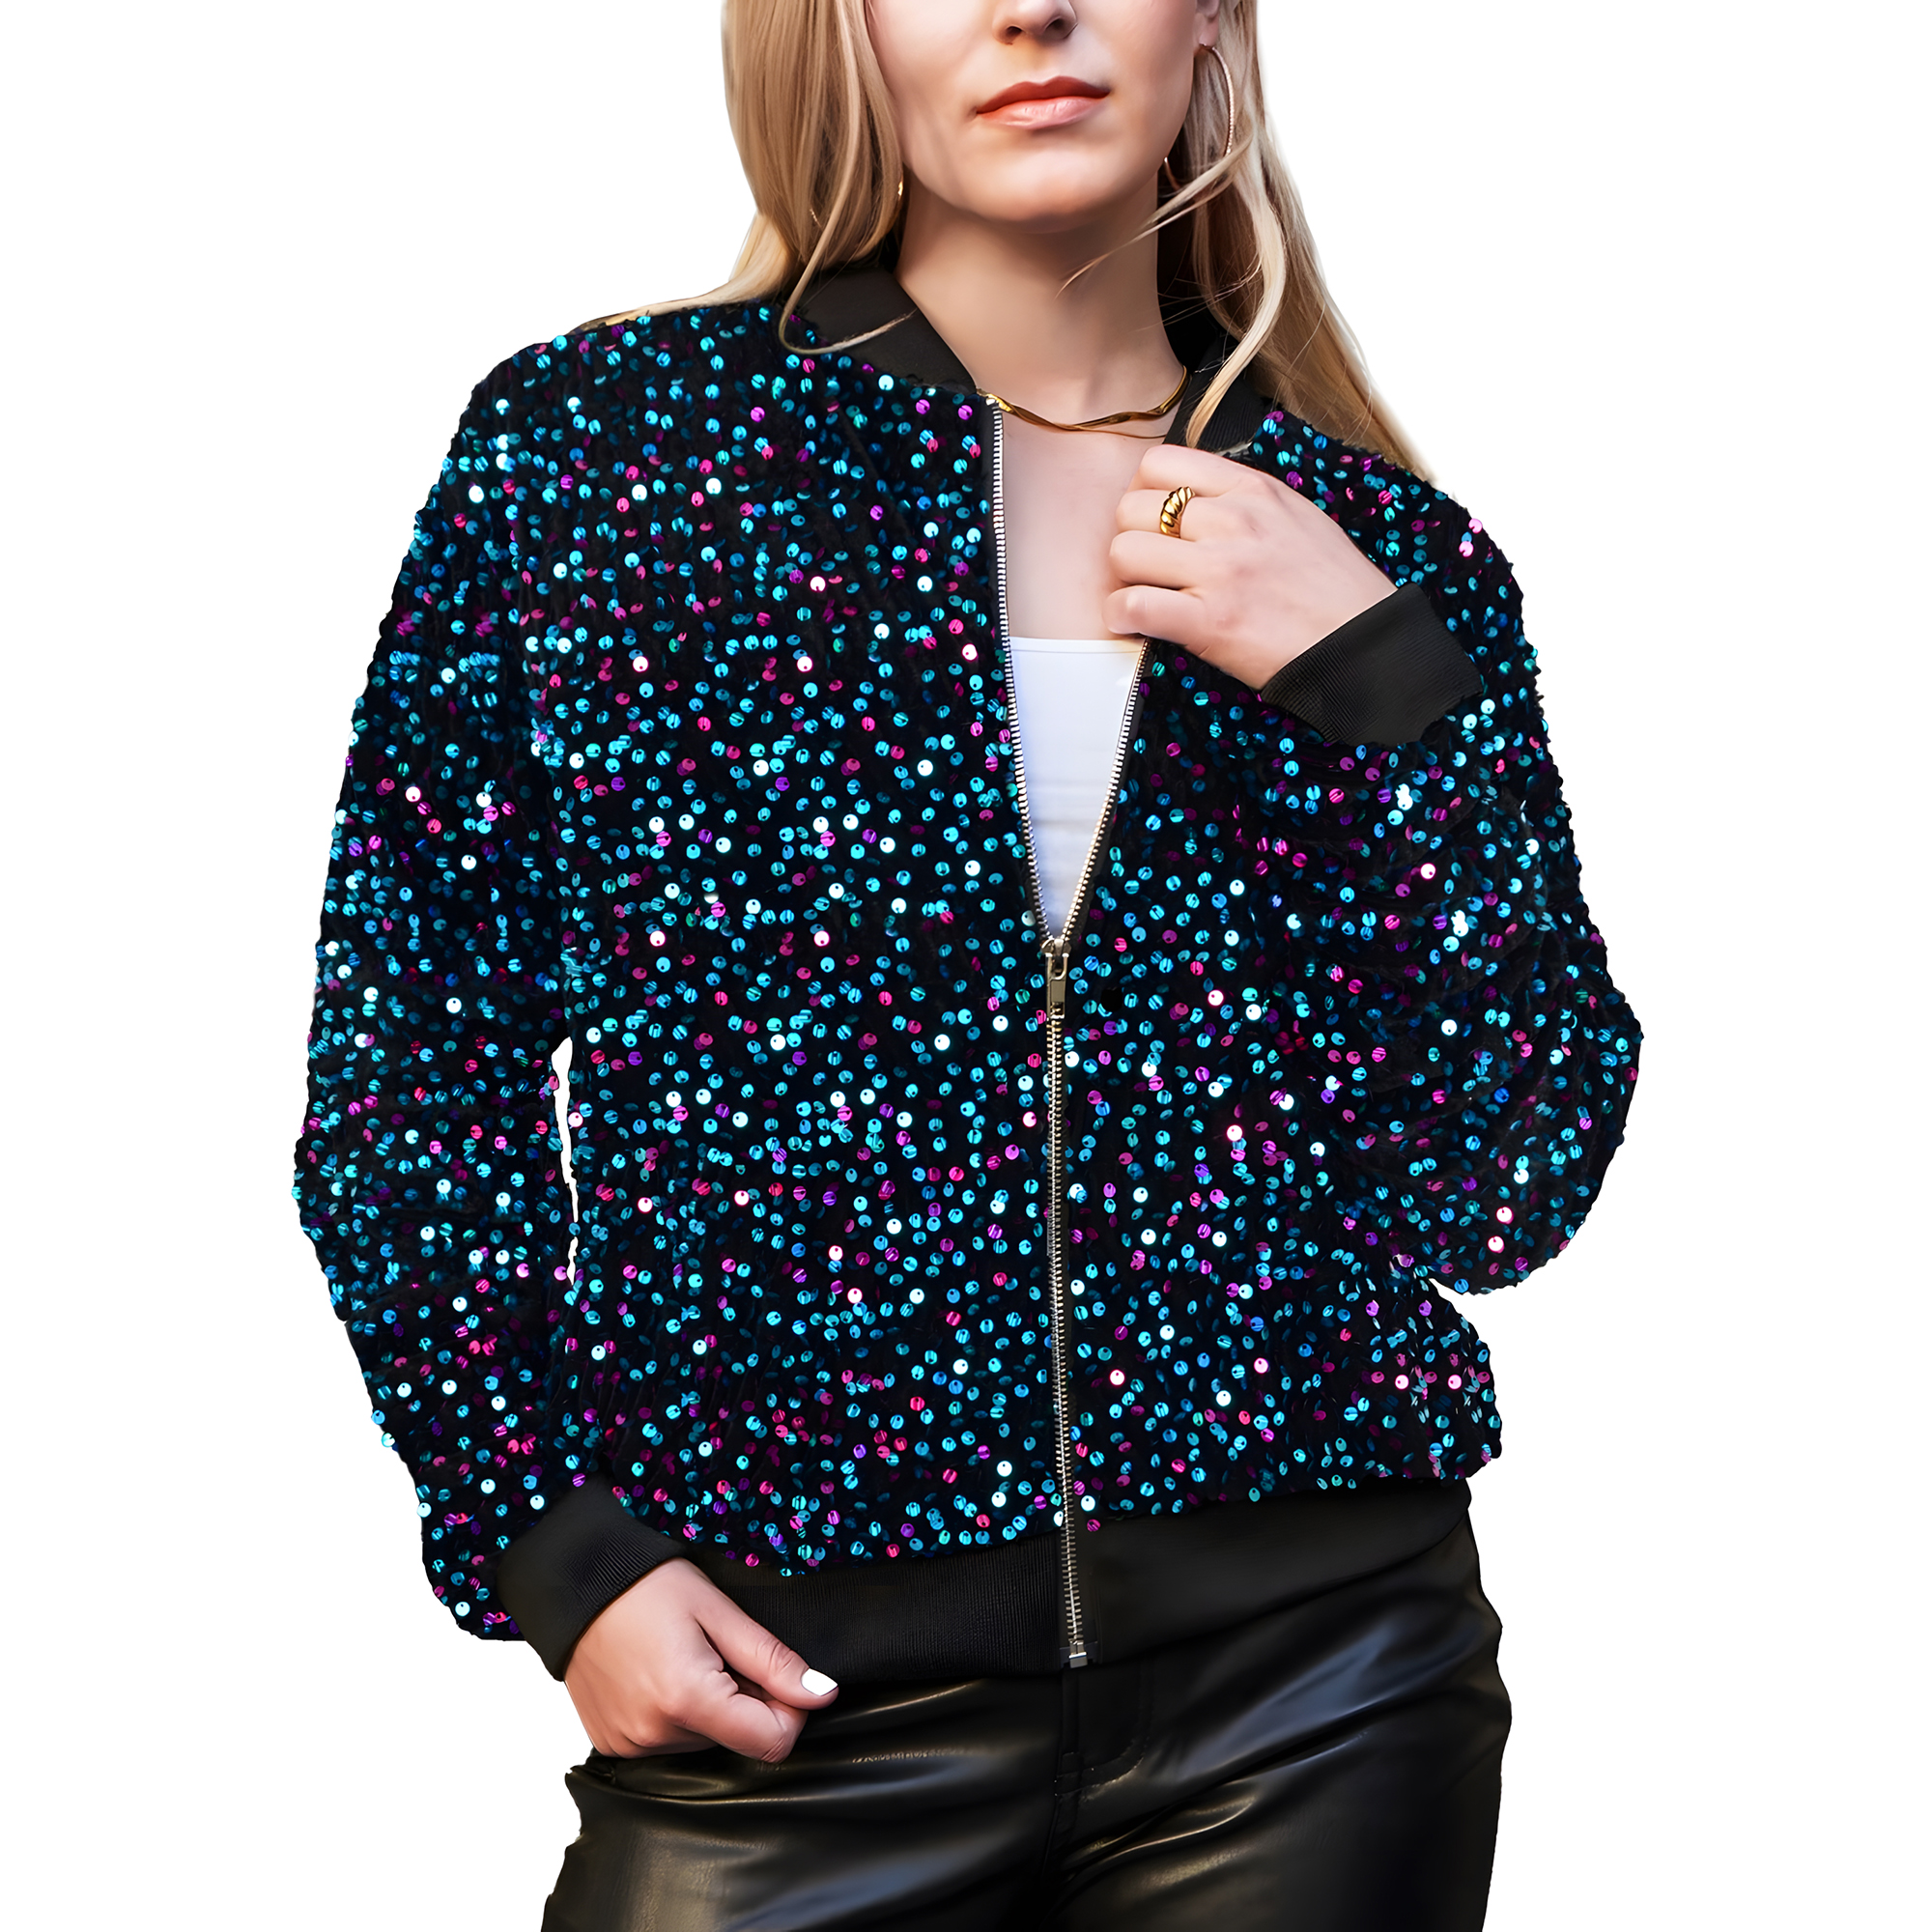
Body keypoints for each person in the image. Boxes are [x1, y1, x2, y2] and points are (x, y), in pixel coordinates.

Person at [296, 1, 1641, 1924]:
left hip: (1327, 1693)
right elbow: (412, 1066)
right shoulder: (605, 458)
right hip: (786, 1703)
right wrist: (550, 1545)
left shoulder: (1373, 555)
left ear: (1211, 19)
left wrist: (1384, 696)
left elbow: (1503, 1186)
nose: (1032, 9)